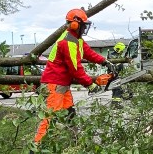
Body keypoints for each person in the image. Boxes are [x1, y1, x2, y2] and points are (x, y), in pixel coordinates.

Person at [33, 8, 115, 144]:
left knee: (70, 114)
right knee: (49, 118)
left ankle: (74, 144)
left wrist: (105, 61)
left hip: (62, 85)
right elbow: (75, 68)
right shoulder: (68, 42)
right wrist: (90, 84)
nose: (84, 29)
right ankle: (34, 152)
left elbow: (88, 52)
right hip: (54, 84)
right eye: (83, 25)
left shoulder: (76, 40)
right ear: (75, 25)